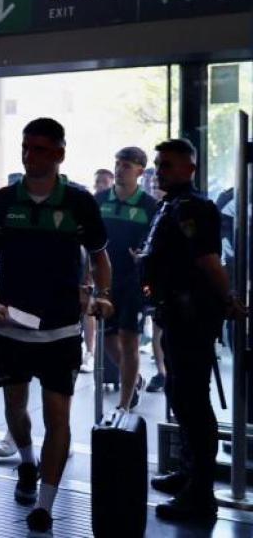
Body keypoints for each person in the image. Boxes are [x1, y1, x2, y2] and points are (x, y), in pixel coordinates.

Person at [0, 117, 113, 534]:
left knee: (58, 417)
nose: (30, 155)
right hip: (10, 329)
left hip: (61, 330)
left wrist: (104, 295)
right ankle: (27, 463)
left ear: (60, 154)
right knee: (14, 406)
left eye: (41, 149)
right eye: (26, 147)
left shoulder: (80, 203)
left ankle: (45, 506)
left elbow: (100, 257)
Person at [142, 139, 246, 523]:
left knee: (192, 403)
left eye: (167, 165)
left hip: (192, 317)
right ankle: (188, 474)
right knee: (179, 396)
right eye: (157, 165)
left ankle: (200, 495)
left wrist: (229, 297)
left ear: (190, 169)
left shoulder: (193, 208)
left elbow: (208, 260)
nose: (159, 171)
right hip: (175, 315)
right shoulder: (169, 206)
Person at [95, 147, 159, 411]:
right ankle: (134, 379)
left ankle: (125, 402)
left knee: (129, 338)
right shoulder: (99, 200)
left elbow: (155, 242)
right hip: (104, 281)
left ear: (140, 171)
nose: (120, 169)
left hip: (133, 282)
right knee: (108, 340)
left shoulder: (149, 205)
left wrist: (144, 254)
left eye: (127, 166)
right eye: (118, 164)